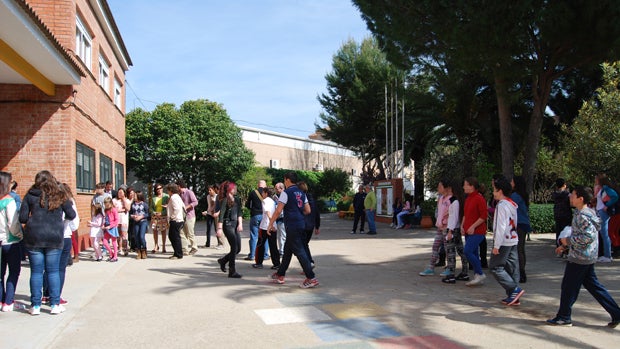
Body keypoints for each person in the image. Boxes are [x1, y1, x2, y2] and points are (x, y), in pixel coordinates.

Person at [547, 185, 620, 327]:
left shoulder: (583, 215)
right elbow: (581, 235)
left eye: (573, 195)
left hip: (580, 258)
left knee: (568, 287)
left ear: (580, 199)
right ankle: (616, 313)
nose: (570, 197)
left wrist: (566, 241)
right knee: (594, 287)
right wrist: (565, 246)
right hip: (586, 256)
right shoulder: (585, 213)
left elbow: (586, 237)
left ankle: (564, 316)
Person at [19, 170, 76, 315]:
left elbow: (23, 218)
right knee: (53, 271)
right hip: (54, 236)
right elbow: (71, 214)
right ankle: (55, 304)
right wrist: (60, 222)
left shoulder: (30, 195)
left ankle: (35, 305)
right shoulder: (60, 195)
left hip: (34, 236)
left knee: (36, 272)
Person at [268, 172, 318, 288]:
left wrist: (271, 223)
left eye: (284, 180)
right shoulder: (301, 192)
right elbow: (308, 210)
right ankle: (280, 274)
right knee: (287, 251)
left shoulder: (286, 193)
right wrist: (298, 213)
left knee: (300, 252)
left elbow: (278, 210)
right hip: (300, 224)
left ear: (287, 180)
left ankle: (311, 277)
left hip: (292, 225)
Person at [489, 177, 524, 306]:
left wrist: (496, 245)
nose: (493, 192)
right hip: (513, 239)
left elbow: (500, 226)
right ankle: (514, 296)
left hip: (503, 241)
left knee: (495, 267)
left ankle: (513, 290)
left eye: (494, 189)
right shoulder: (512, 204)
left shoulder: (502, 205)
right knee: (512, 268)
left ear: (500, 191)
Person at [44, 183, 79, 306]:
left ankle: (46, 294)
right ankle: (56, 296)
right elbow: (75, 224)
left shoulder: (45, 201)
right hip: (64, 236)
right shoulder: (68, 202)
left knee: (48, 267)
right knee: (60, 269)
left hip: (48, 237)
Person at [0, 171, 23, 312]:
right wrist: (19, 235)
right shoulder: (9, 200)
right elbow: (13, 223)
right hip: (10, 241)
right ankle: (8, 302)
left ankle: (1, 300)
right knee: (14, 271)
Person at [420, 180, 451, 276]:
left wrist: (447, 225)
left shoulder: (451, 199)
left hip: (447, 227)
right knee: (435, 246)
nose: (438, 188)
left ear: (445, 188)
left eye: (440, 186)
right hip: (439, 227)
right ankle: (431, 268)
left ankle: (450, 268)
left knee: (447, 248)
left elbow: (451, 213)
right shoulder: (441, 199)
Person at [461, 177, 488, 286]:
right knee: (474, 253)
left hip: (478, 231)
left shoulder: (479, 198)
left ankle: (480, 273)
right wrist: (462, 225)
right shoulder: (468, 198)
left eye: (465, 184)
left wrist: (473, 226)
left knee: (467, 251)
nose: (463, 187)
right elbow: (465, 214)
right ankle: (478, 275)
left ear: (471, 186)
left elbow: (483, 216)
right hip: (468, 230)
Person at [441, 180, 469, 284]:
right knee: (460, 250)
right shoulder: (456, 201)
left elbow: (454, 217)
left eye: (448, 188)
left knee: (451, 252)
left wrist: (450, 231)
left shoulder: (455, 202)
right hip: (455, 228)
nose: (447, 190)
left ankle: (451, 274)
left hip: (452, 229)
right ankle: (464, 271)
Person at [216, 182, 243, 278]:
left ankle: (223, 261)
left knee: (238, 249)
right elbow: (221, 215)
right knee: (234, 247)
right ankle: (232, 271)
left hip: (235, 225)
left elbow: (239, 212)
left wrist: (240, 224)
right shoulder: (224, 200)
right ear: (229, 189)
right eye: (233, 188)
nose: (235, 189)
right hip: (228, 225)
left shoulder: (237, 199)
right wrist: (219, 229)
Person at [511, 175, 532, 283]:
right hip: (523, 223)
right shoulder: (523, 195)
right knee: (521, 249)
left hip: (518, 223)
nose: (511, 182)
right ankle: (522, 270)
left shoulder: (515, 196)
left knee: (518, 249)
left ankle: (520, 272)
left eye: (512, 181)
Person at [253, 187, 280, 269]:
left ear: (266, 193)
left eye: (263, 192)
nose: (261, 194)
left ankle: (259, 263)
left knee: (260, 245)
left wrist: (270, 225)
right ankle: (276, 264)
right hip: (273, 225)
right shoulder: (273, 201)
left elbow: (268, 212)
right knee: (273, 246)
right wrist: (273, 224)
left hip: (265, 226)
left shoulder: (265, 201)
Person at [594, 174, 618, 263]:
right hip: (601, 211)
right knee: (603, 233)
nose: (595, 181)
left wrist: (606, 206)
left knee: (604, 233)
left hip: (603, 212)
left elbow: (615, 196)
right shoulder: (601, 188)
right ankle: (606, 254)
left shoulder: (605, 188)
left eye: (596, 179)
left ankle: (607, 255)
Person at [299, 181, 320, 268]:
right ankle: (308, 263)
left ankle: (309, 262)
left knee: (303, 245)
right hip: (310, 226)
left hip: (303, 225)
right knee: (304, 244)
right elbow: (317, 213)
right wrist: (317, 226)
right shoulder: (312, 200)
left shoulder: (301, 199)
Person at [245, 180, 266, 260]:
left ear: (258, 185)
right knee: (264, 236)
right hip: (264, 216)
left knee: (254, 235)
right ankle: (265, 255)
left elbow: (247, 204)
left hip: (255, 215)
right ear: (265, 185)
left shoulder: (253, 192)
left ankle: (252, 255)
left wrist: (252, 209)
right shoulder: (266, 193)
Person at [177, 180, 198, 256]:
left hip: (190, 216)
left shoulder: (189, 192)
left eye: (177, 186)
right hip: (182, 216)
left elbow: (195, 202)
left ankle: (194, 247)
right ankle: (184, 249)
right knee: (182, 233)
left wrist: (187, 207)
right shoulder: (179, 194)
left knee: (190, 233)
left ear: (179, 186)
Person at [166, 183, 185, 260]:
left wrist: (172, 217)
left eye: (168, 190)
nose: (167, 192)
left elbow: (176, 209)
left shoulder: (173, 197)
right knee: (174, 236)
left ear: (171, 190)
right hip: (179, 219)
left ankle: (178, 254)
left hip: (175, 220)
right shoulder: (177, 196)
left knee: (174, 237)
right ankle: (177, 252)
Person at [552, 178, 572, 251]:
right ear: (564, 185)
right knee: (566, 232)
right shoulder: (567, 195)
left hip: (557, 215)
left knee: (558, 232)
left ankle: (559, 247)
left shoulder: (554, 195)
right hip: (566, 215)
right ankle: (566, 248)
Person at [129, 191, 150, 259]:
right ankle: (139, 251)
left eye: (135, 196)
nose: (134, 197)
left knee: (141, 236)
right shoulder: (133, 205)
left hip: (143, 222)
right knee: (136, 237)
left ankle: (144, 250)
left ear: (139, 196)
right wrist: (133, 216)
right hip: (135, 222)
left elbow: (148, 214)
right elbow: (130, 213)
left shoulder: (144, 204)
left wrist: (141, 216)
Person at [149, 183, 169, 254]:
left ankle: (163, 246)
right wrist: (154, 212)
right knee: (155, 231)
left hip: (163, 216)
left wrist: (162, 213)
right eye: (157, 189)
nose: (159, 190)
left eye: (160, 188)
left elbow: (169, 207)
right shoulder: (154, 197)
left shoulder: (166, 196)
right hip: (155, 216)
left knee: (163, 231)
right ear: (155, 190)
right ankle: (156, 245)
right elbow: (150, 208)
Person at [201, 184, 221, 248]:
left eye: (210, 190)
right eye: (208, 190)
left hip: (216, 214)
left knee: (217, 229)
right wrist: (206, 212)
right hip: (209, 214)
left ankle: (220, 243)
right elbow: (209, 206)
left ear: (214, 190)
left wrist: (208, 211)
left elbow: (215, 206)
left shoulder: (217, 196)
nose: (209, 191)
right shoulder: (208, 197)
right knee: (208, 229)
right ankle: (207, 243)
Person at [113, 187, 131, 257]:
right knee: (118, 235)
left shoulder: (127, 200)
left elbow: (128, 209)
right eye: (119, 192)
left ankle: (125, 248)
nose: (119, 194)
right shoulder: (114, 200)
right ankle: (119, 248)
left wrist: (123, 200)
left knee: (124, 235)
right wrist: (122, 210)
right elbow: (113, 210)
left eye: (121, 192)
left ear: (124, 193)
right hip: (117, 220)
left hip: (124, 220)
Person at [101, 197, 119, 262]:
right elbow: (105, 219)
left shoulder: (114, 210)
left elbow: (117, 220)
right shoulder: (106, 210)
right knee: (105, 242)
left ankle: (115, 256)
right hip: (107, 228)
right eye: (105, 205)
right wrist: (103, 224)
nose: (106, 206)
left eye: (107, 205)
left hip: (113, 228)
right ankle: (111, 254)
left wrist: (111, 226)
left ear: (111, 203)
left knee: (114, 242)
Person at [274, 182, 287, 254]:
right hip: (277, 218)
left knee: (283, 235)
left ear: (282, 188)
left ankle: (283, 250)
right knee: (279, 236)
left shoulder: (285, 195)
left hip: (283, 218)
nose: (275, 190)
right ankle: (281, 249)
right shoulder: (275, 196)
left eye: (277, 189)